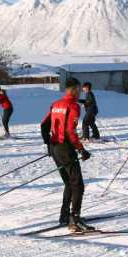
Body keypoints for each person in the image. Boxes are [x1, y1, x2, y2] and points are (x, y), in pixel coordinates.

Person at [41, 77, 94, 233]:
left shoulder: (56, 104)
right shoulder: (73, 106)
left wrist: (49, 144)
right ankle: (75, 220)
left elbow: (43, 125)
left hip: (55, 147)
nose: (80, 93)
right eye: (78, 90)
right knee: (78, 184)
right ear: (75, 89)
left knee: (69, 183)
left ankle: (64, 216)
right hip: (65, 148)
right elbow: (70, 131)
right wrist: (81, 149)